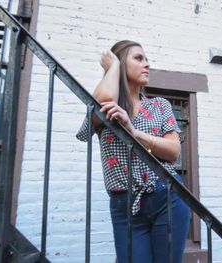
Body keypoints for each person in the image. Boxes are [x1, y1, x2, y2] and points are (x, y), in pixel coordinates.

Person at [76, 40, 190, 263]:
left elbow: (173, 151)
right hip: (124, 204)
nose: (147, 64)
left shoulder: (160, 105)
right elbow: (105, 99)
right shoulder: (108, 105)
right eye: (139, 58)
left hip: (166, 196)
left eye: (147, 59)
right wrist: (113, 67)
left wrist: (133, 132)